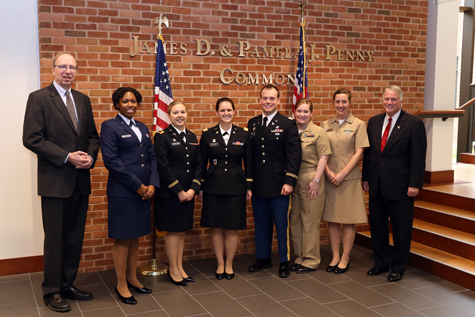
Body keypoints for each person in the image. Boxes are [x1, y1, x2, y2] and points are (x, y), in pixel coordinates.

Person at [22, 52, 100, 312]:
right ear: (53, 70)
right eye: (63, 66)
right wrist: (67, 156)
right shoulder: (39, 98)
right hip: (55, 181)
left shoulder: (83, 100)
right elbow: (32, 138)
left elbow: (92, 136)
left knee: (74, 237)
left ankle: (67, 284)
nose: (68, 71)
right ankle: (52, 290)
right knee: (55, 238)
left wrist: (89, 156)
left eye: (72, 67)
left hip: (80, 181)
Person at [100, 87, 160, 305]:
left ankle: (133, 278)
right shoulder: (109, 126)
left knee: (136, 236)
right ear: (117, 104)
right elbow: (111, 161)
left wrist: (152, 183)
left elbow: (152, 158)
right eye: (125, 101)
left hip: (144, 191)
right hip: (123, 192)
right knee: (123, 237)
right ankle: (121, 284)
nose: (130, 105)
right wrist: (138, 186)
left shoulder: (143, 127)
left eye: (134, 101)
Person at [362, 85, 427, 282]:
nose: (389, 103)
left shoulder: (414, 123)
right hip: (377, 184)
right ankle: (380, 263)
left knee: (401, 229)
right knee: (377, 227)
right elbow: (369, 154)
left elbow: (418, 156)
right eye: (386, 99)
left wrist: (414, 183)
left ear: (401, 101)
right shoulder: (373, 122)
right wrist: (366, 177)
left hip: (401, 187)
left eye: (393, 99)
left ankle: (398, 266)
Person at [247, 84, 302, 278]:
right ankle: (263, 258)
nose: (268, 102)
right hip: (259, 184)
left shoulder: (288, 124)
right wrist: (249, 184)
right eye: (264, 98)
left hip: (280, 185)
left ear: (278, 101)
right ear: (260, 100)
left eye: (272, 99)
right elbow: (251, 157)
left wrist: (289, 181)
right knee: (261, 223)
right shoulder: (253, 123)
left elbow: (294, 156)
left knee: (281, 224)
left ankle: (284, 261)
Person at [199, 98, 253, 280]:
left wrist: (249, 185)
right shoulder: (207, 135)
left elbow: (250, 163)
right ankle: (220, 264)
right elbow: (201, 163)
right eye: (222, 110)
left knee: (231, 228)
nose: (226, 113)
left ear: (234, 112)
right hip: (213, 185)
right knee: (216, 227)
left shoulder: (244, 134)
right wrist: (199, 186)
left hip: (237, 186)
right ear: (217, 113)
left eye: (229, 110)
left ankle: (229, 263)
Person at [154, 100, 202, 286]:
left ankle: (180, 266)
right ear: (169, 115)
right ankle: (172, 269)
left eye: (183, 112)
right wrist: (179, 190)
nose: (180, 115)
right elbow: (163, 166)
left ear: (187, 114)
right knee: (173, 233)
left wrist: (193, 189)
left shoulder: (191, 136)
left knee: (181, 232)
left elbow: (198, 164)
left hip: (188, 194)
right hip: (170, 194)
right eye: (176, 112)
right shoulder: (162, 136)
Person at [321, 89, 369, 274]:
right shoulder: (325, 124)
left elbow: (359, 152)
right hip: (330, 178)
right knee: (332, 219)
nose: (340, 105)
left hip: (348, 179)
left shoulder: (358, 124)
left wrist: (342, 174)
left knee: (348, 220)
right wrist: (328, 172)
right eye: (337, 102)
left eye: (344, 102)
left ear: (349, 103)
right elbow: (321, 152)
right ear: (333, 103)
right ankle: (334, 256)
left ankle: (345, 257)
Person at [290, 99, 331, 274]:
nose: (302, 114)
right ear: (294, 112)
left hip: (311, 176)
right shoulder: (291, 130)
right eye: (299, 111)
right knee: (295, 219)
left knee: (310, 220)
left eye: (306, 111)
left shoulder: (318, 132)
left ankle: (312, 259)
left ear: (312, 114)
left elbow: (323, 157)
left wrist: (316, 180)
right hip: (293, 177)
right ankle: (299, 256)